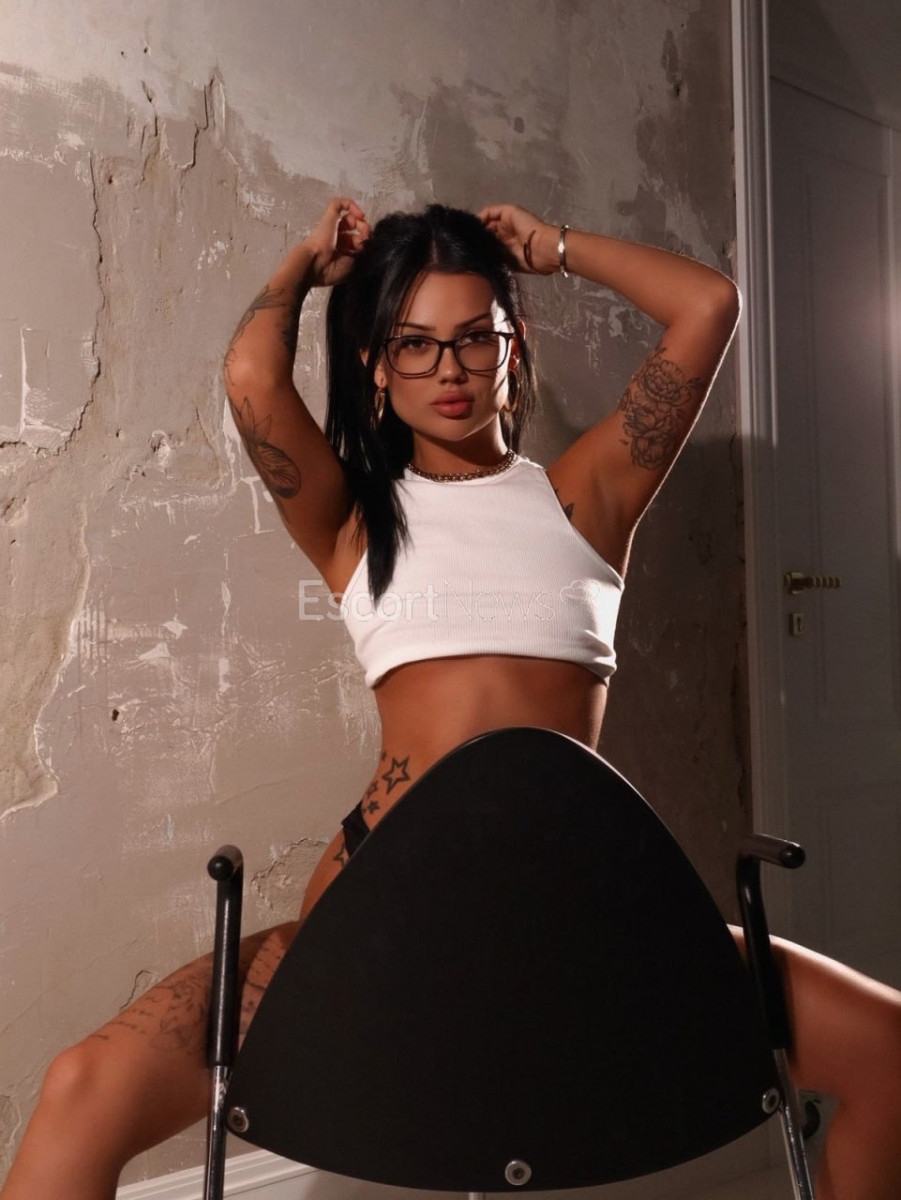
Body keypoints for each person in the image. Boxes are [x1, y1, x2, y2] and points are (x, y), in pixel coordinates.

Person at [3, 198, 900, 1200]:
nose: (449, 369)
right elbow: (253, 376)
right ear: (376, 366)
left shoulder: (586, 497)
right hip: (380, 918)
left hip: (588, 917)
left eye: (475, 338)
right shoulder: (352, 520)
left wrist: (550, 248)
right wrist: (306, 263)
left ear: (512, 347)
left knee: (888, 1049)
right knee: (84, 1089)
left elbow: (707, 305)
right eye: (415, 344)